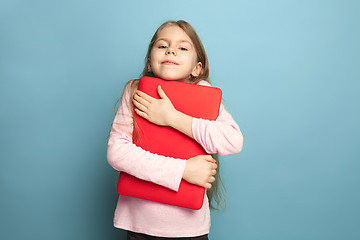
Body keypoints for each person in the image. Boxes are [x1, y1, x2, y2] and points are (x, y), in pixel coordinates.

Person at [107, 20, 243, 240]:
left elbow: (233, 141)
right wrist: (183, 170)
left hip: (189, 228)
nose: (171, 50)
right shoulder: (134, 92)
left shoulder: (205, 95)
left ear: (196, 68)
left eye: (182, 48)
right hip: (140, 225)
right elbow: (117, 153)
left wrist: (171, 117)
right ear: (150, 62)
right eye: (162, 46)